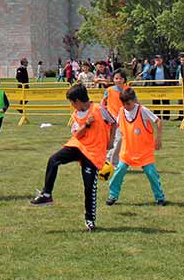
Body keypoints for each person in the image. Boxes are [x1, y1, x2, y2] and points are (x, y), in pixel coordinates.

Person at [29, 84, 116, 231]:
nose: (72, 105)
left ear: (78, 100)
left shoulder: (98, 109)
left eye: (72, 102)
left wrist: (110, 141)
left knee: (89, 188)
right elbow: (77, 134)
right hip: (78, 146)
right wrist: (87, 125)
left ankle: (90, 220)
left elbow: (114, 122)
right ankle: (47, 194)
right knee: (53, 160)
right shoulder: (76, 114)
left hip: (93, 152)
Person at [106, 88, 165, 206]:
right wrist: (109, 139)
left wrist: (158, 139)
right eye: (123, 104)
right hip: (127, 150)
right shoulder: (121, 111)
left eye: (128, 103)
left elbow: (158, 121)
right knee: (119, 171)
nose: (126, 106)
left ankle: (160, 197)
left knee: (151, 173)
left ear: (134, 101)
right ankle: (113, 195)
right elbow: (116, 125)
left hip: (144, 151)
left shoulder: (142, 110)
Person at [102, 70, 127, 167]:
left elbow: (135, 103)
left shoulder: (128, 90)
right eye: (116, 78)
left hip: (125, 119)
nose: (118, 80)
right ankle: (113, 162)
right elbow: (103, 103)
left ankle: (108, 159)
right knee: (117, 140)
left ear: (124, 79)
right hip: (112, 119)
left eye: (120, 78)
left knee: (120, 141)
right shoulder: (109, 90)